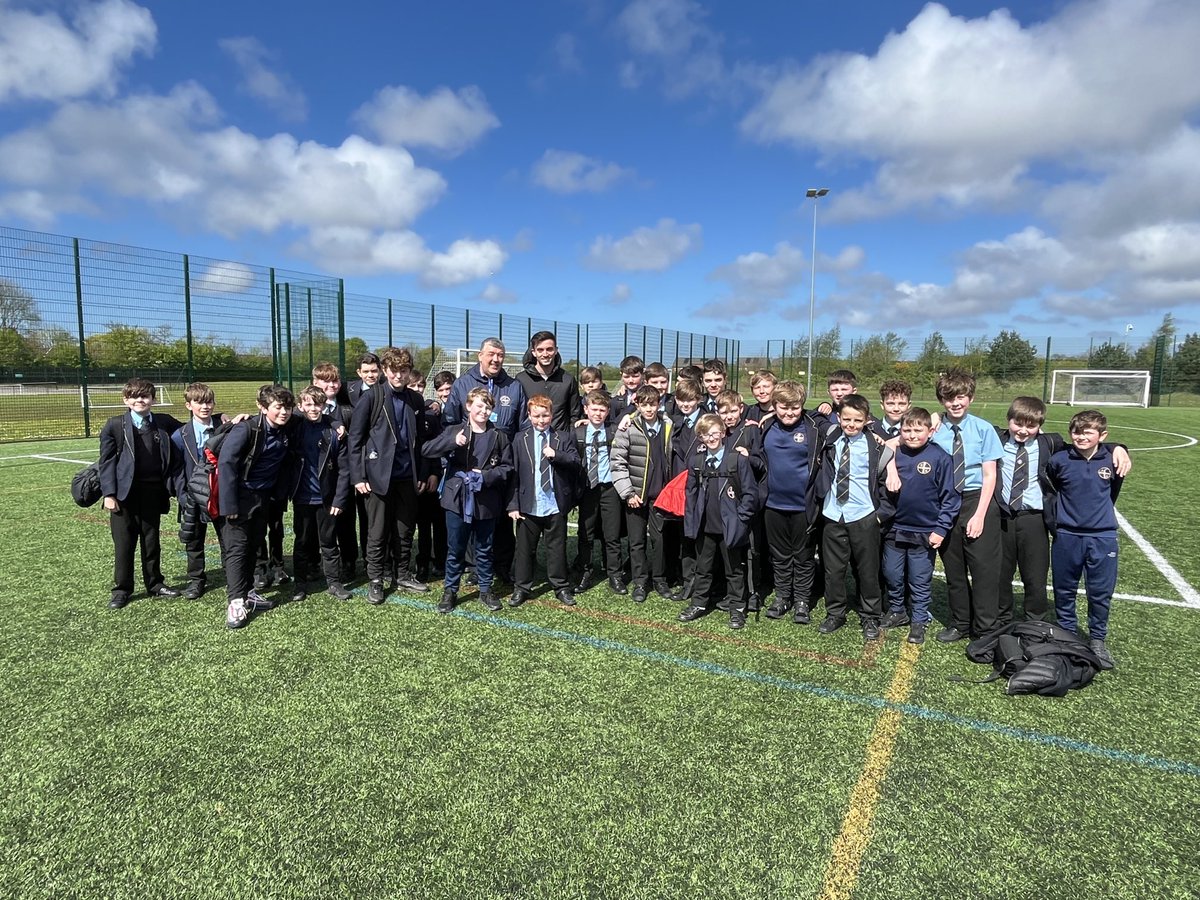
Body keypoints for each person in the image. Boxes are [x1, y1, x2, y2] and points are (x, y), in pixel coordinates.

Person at [995, 396, 1132, 626]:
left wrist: (1118, 448)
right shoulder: (996, 439)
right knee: (1001, 574)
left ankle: (1035, 623)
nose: (1023, 430)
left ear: (1040, 427)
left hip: (1035, 519)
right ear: (1008, 420)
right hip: (1002, 517)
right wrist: (937, 417)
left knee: (1035, 576)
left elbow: (1085, 446)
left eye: (1031, 426)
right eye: (1018, 423)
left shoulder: (1050, 443)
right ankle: (1002, 621)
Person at [349, 347, 439, 605]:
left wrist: (422, 472)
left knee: (404, 529)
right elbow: (355, 440)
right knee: (377, 532)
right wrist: (358, 476)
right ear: (385, 371)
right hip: (378, 477)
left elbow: (421, 441)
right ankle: (376, 580)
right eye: (394, 370)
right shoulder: (372, 397)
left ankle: (402, 574)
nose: (399, 375)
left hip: (407, 476)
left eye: (404, 370)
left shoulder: (415, 400)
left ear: (409, 371)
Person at [442, 337, 527, 583]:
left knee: (500, 521)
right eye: (491, 354)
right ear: (480, 355)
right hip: (471, 465)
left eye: (500, 355)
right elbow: (449, 421)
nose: (496, 359)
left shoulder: (514, 386)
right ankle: (472, 569)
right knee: (470, 519)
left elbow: (521, 425)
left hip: (501, 467)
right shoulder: (463, 383)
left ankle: (501, 566)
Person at [1046, 410, 1126, 669]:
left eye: (1087, 432)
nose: (1080, 436)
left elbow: (1112, 493)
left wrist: (1120, 448)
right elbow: (1054, 487)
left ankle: (1097, 639)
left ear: (1102, 436)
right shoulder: (1060, 460)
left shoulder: (1112, 461)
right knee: (1064, 588)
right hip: (1067, 535)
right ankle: (1067, 634)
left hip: (1102, 537)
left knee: (1100, 592)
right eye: (1076, 432)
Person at [422, 387, 514, 613]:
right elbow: (427, 450)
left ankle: (485, 589)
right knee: (456, 548)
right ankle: (450, 590)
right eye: (480, 406)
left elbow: (507, 467)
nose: (484, 411)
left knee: (485, 547)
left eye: (488, 407)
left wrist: (486, 476)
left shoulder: (499, 435)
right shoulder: (455, 430)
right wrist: (452, 442)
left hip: (486, 501)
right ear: (469, 406)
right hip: (457, 499)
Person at [930, 368, 1003, 642]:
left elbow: (990, 475)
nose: (955, 403)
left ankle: (984, 628)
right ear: (942, 401)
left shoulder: (983, 429)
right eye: (949, 398)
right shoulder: (935, 429)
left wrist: (980, 514)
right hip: (947, 503)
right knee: (954, 569)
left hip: (977, 500)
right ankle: (960, 623)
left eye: (960, 396)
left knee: (983, 570)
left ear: (970, 397)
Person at [814, 393, 894, 641]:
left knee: (867, 569)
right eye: (846, 419)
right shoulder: (830, 438)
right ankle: (835, 612)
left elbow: (885, 484)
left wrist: (879, 516)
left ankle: (870, 614)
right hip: (833, 513)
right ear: (838, 418)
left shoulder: (877, 447)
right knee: (833, 569)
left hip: (863, 514)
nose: (851, 424)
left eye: (857, 420)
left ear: (867, 420)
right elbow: (807, 416)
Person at [98, 377, 183, 609]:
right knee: (124, 544)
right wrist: (109, 494)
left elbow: (191, 426)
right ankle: (122, 589)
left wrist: (222, 418)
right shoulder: (115, 425)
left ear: (153, 399)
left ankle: (155, 584)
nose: (140, 400)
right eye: (134, 396)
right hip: (123, 496)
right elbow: (106, 463)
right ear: (126, 399)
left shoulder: (163, 422)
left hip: (153, 493)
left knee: (151, 541)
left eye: (145, 396)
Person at [219, 384, 297, 629]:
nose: (284, 412)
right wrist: (229, 503)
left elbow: (311, 414)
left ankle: (249, 593)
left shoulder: (287, 427)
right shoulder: (246, 428)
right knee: (237, 550)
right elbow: (227, 463)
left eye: (287, 407)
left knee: (254, 546)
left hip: (263, 499)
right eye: (277, 407)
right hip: (239, 498)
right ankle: (235, 602)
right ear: (262, 408)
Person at [881, 407, 960, 644]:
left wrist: (941, 529)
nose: (912, 435)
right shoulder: (893, 453)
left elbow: (951, 498)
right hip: (894, 528)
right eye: (907, 430)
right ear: (900, 431)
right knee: (892, 574)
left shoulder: (940, 457)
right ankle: (897, 611)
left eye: (918, 430)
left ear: (930, 431)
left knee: (919, 579)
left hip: (925, 531)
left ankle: (918, 619)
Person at [677, 415, 760, 630]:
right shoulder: (696, 461)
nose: (711, 438)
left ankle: (737, 609)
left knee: (734, 570)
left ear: (723, 433)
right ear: (700, 437)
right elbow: (691, 493)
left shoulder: (737, 460)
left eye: (715, 433)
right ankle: (698, 603)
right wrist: (692, 521)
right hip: (705, 526)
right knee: (703, 568)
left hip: (730, 526)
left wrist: (740, 519)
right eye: (706, 434)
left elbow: (751, 494)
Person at [758, 380, 825, 623]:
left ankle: (802, 601)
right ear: (774, 406)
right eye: (783, 407)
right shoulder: (764, 427)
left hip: (803, 505)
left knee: (804, 557)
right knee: (780, 555)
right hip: (773, 504)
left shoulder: (813, 426)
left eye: (795, 407)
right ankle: (782, 596)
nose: (789, 412)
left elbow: (838, 427)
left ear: (802, 406)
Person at [507, 395, 581, 607]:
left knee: (557, 548)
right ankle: (521, 587)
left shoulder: (563, 438)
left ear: (552, 414)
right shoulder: (520, 439)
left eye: (545, 415)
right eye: (537, 416)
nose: (541, 420)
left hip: (554, 504)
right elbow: (514, 474)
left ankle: (560, 586)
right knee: (524, 549)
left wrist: (556, 455)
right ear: (529, 416)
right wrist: (513, 504)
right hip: (529, 504)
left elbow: (576, 462)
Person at [289, 386, 354, 602]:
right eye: (308, 404)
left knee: (328, 541)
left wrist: (339, 498)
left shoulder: (334, 432)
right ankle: (300, 584)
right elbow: (269, 414)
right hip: (302, 496)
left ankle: (334, 583)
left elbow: (345, 469)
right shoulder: (294, 427)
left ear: (324, 405)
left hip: (327, 498)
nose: (313, 408)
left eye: (317, 404)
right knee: (302, 541)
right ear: (300, 406)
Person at [611, 384, 673, 602]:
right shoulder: (627, 427)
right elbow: (617, 462)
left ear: (659, 404)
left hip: (660, 496)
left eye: (653, 404)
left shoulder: (668, 425)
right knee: (636, 542)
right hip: (636, 496)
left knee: (660, 540)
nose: (649, 409)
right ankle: (640, 582)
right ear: (637, 404)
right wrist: (628, 493)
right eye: (644, 404)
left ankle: (660, 579)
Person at [171, 382, 232, 600]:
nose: (205, 406)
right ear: (189, 405)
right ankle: (196, 580)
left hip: (219, 495)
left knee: (228, 539)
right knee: (194, 541)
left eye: (209, 402)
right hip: (193, 497)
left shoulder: (225, 428)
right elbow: (176, 470)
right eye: (199, 402)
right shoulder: (179, 436)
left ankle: (232, 578)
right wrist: (183, 494)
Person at [572, 390, 625, 594]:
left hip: (609, 488)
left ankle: (615, 575)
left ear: (608, 411)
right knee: (585, 533)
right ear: (586, 409)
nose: (597, 414)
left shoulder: (614, 431)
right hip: (587, 488)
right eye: (594, 409)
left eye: (602, 410)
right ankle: (585, 571)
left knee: (612, 535)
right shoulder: (576, 433)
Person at [312, 362, 357, 581]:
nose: (331, 385)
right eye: (326, 380)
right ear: (315, 383)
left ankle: (349, 562)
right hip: (317, 477)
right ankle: (314, 563)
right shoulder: (307, 409)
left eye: (335, 380)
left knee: (346, 520)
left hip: (343, 475)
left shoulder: (348, 409)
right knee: (316, 522)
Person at [515, 330, 582, 432]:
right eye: (540, 350)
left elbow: (575, 415)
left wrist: (569, 438)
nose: (545, 354)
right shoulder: (521, 379)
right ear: (533, 352)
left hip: (560, 441)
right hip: (529, 441)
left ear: (556, 350)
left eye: (549, 349)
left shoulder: (568, 379)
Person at [609, 356, 645, 422]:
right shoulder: (616, 401)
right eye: (626, 377)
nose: (630, 380)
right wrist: (632, 405)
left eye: (635, 376)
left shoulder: (651, 395)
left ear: (642, 375)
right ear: (621, 376)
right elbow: (613, 425)